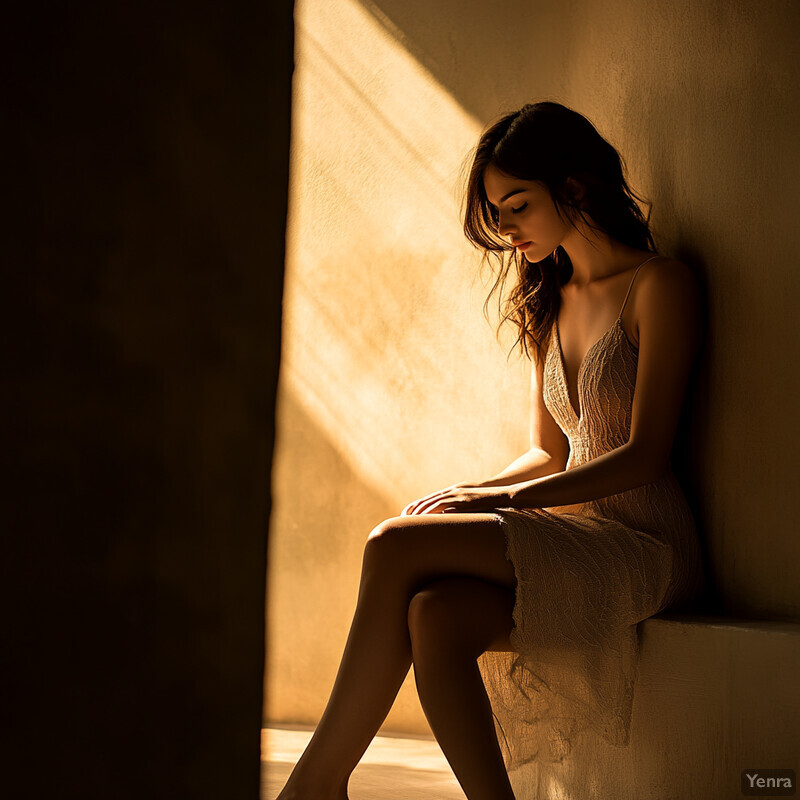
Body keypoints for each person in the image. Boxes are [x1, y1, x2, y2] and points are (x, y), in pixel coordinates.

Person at [275, 101, 705, 800]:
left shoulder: (660, 286)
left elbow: (645, 455)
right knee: (432, 617)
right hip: (578, 532)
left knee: (393, 545)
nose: (504, 230)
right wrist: (476, 490)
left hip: (647, 543)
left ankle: (316, 786)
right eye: (495, 212)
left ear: (574, 188)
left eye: (516, 207)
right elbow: (546, 449)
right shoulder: (551, 300)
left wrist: (503, 502)